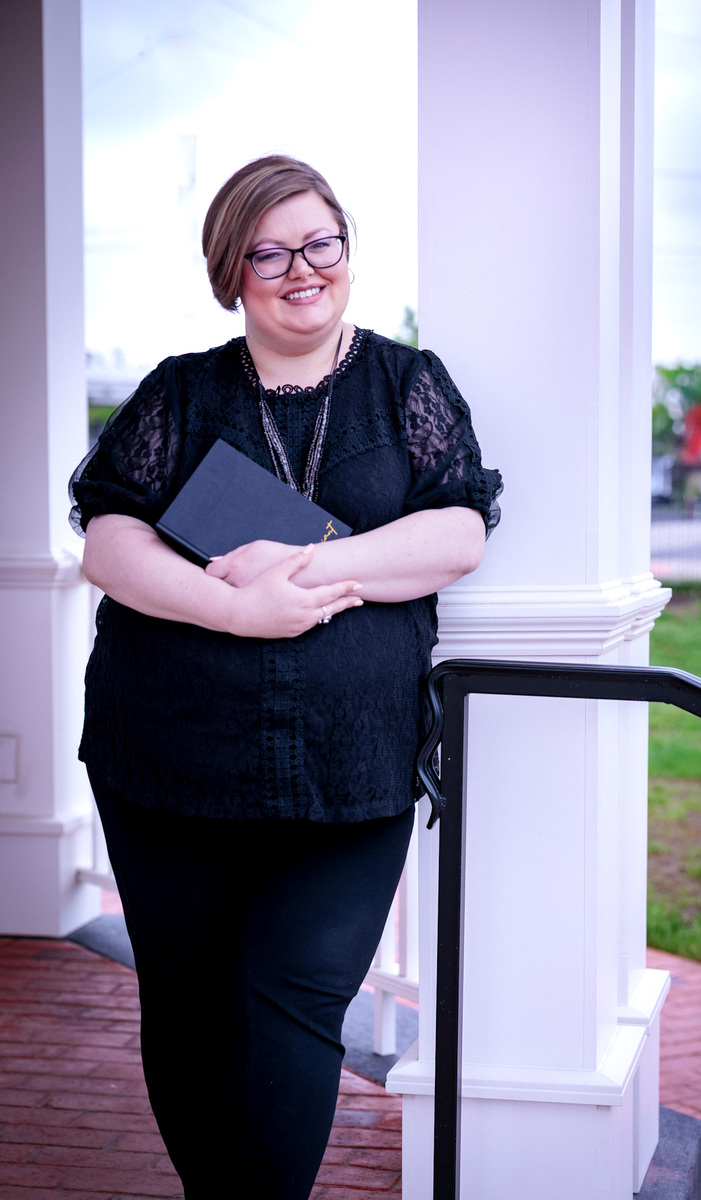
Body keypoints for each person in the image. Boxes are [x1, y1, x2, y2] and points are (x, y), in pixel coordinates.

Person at [69, 154, 502, 1200]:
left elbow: (455, 532)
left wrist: (305, 566)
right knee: (184, 1000)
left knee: (293, 997)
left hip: (348, 773)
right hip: (166, 760)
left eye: (320, 242)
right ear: (232, 270)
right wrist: (233, 607)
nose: (300, 267)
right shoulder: (180, 391)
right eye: (269, 250)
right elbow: (108, 539)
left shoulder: (409, 384)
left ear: (345, 252)